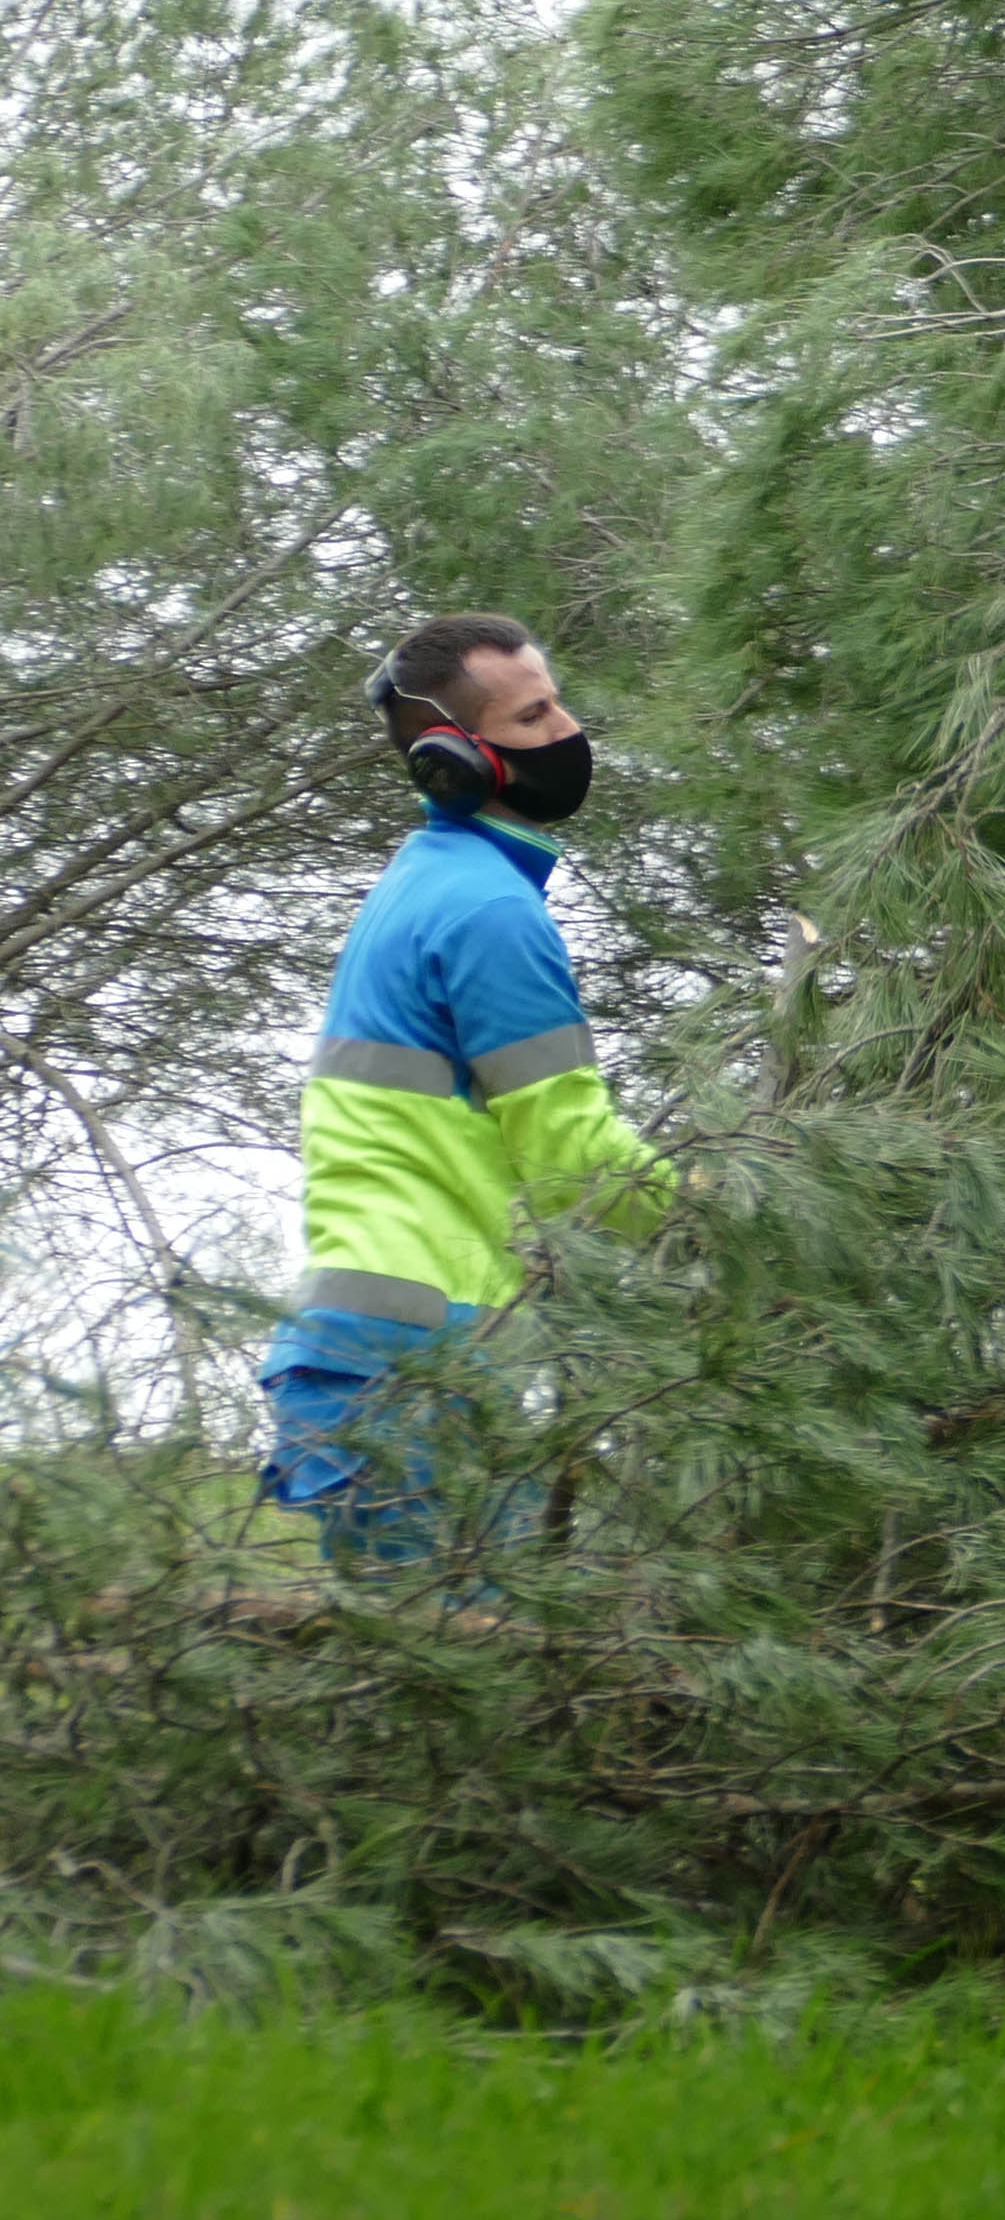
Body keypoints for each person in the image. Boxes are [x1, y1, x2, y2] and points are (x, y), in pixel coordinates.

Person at [258, 614, 670, 1569]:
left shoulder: (430, 880)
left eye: (558, 700)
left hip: (390, 1355)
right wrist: (733, 1217)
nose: (568, 729)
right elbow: (575, 1167)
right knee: (473, 1676)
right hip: (410, 1367)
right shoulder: (490, 912)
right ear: (459, 758)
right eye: (536, 714)